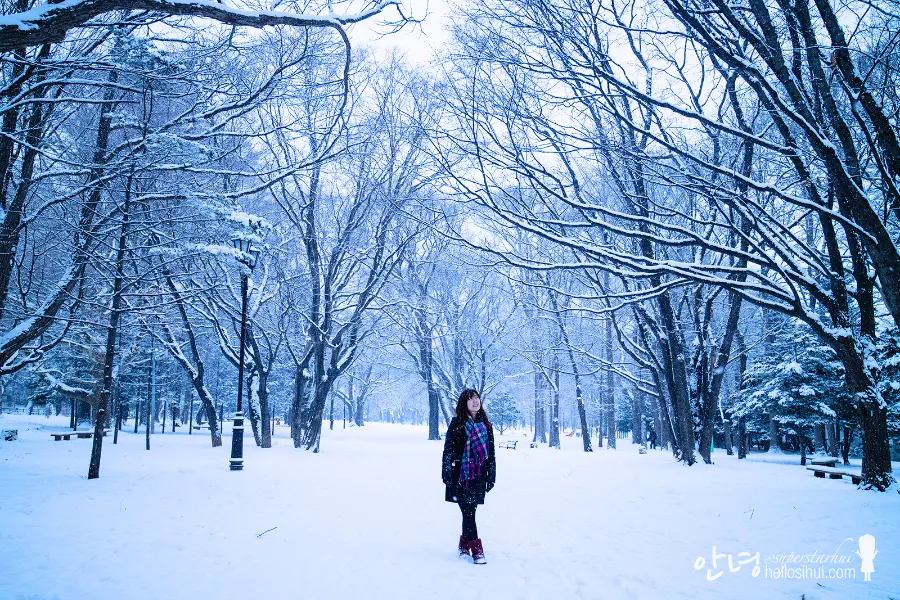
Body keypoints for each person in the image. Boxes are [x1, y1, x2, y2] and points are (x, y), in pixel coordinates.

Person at [442, 389, 496, 565]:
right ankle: (477, 551)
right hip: (460, 474)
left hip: (478, 475)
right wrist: (446, 472)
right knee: (468, 511)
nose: (475, 401)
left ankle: (464, 545)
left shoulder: (486, 426)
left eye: (477, 398)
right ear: (464, 403)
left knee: (470, 511)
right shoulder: (456, 424)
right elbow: (448, 450)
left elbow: (491, 453)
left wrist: (491, 475)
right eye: (471, 399)